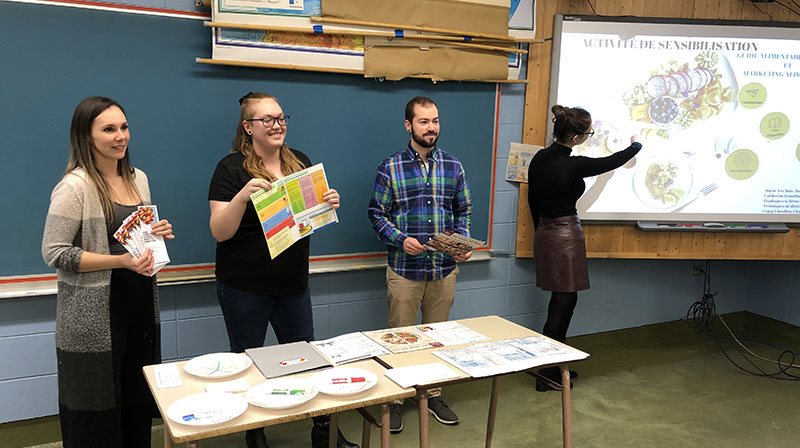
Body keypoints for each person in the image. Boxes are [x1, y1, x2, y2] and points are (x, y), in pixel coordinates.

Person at [207, 92, 357, 448]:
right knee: (250, 363)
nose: (277, 125)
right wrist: (243, 196)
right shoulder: (230, 169)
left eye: (280, 118)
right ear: (248, 127)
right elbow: (219, 231)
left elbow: (304, 221)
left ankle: (325, 433)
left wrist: (326, 204)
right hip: (244, 286)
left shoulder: (299, 162)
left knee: (309, 361)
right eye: (267, 120)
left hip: (292, 285)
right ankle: (255, 435)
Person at [42, 96, 175, 447]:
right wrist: (120, 261)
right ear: (86, 137)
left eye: (124, 127)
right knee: (96, 417)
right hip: (94, 318)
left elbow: (131, 236)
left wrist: (155, 232)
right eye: (109, 129)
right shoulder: (75, 187)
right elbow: (54, 252)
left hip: (141, 306)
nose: (120, 136)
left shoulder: (138, 179)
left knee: (135, 402)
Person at [368, 96, 472, 433]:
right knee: (400, 339)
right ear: (408, 125)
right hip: (405, 270)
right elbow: (377, 214)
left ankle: (432, 394)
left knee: (437, 338)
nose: (431, 128)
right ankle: (395, 398)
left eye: (436, 121)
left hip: (443, 270)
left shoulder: (453, 166)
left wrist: (462, 243)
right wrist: (400, 239)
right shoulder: (391, 166)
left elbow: (462, 211)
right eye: (424, 122)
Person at [526, 105, 641, 391]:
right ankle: (547, 372)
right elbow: (614, 160)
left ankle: (550, 367)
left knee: (559, 301)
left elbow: (532, 201)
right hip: (565, 235)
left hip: (545, 232)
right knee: (564, 304)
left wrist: (541, 229)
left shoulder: (539, 158)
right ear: (576, 137)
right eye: (588, 133)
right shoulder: (574, 164)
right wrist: (637, 144)